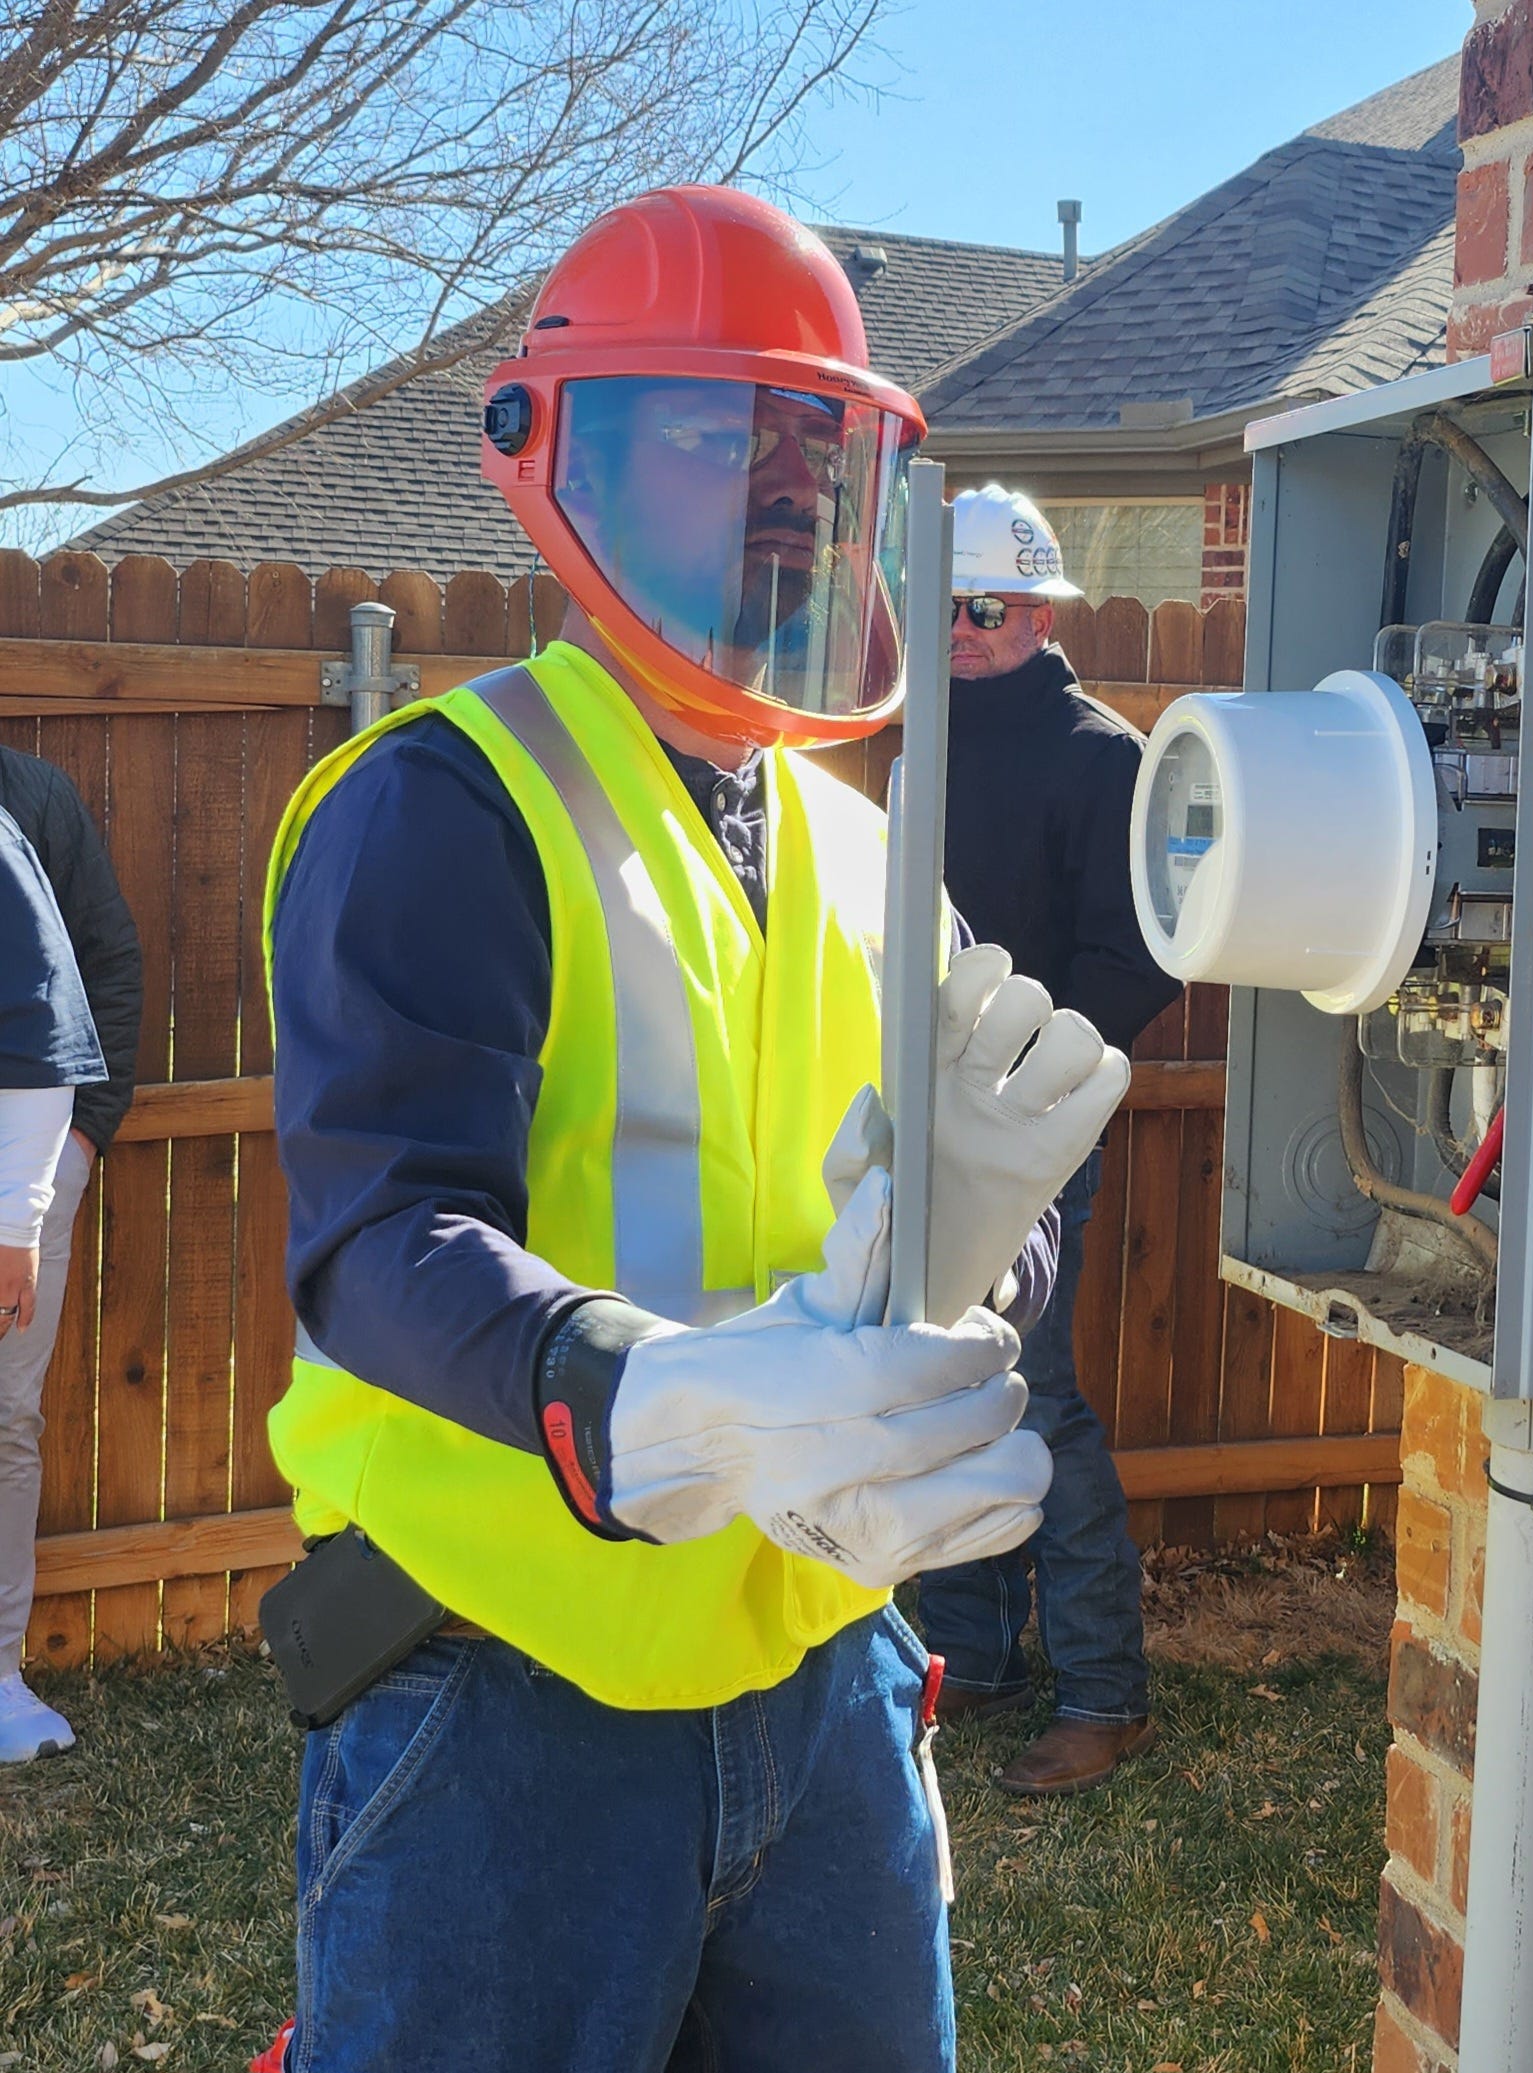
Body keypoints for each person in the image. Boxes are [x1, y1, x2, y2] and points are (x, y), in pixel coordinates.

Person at [258, 187, 1127, 2071]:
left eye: (812, 448)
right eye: (716, 439)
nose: (783, 496)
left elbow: (980, 1163)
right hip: (498, 1695)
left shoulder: (866, 845)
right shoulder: (445, 803)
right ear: (561, 463)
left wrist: (968, 1273)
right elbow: (376, 1240)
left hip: (822, 1674)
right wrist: (639, 1397)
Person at [917, 485, 1182, 1797]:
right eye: (941, 607)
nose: (959, 630)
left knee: (1045, 1398)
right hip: (922, 1107)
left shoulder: (1100, 758)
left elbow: (1138, 959)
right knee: (942, 1379)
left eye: (983, 608)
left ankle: (1102, 1694)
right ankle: (970, 1657)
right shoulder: (919, 742)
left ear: (1037, 613)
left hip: (1032, 1130)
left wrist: (1027, 1084)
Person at [0, 773, 121, 1764]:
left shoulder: (27, 806)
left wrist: (73, 1150)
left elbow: (91, 975)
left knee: (5, 1420)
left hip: (20, 1173)